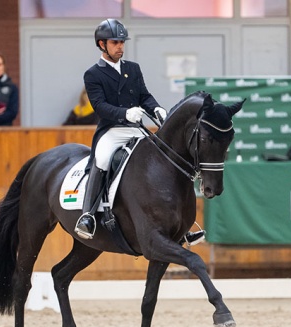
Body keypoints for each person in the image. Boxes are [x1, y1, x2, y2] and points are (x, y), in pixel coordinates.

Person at [74, 18, 204, 247]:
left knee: (165, 158)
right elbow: (99, 106)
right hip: (112, 130)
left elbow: (144, 95)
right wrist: (124, 113)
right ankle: (88, 216)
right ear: (102, 44)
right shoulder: (93, 74)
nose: (120, 47)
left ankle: (183, 225)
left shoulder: (132, 69)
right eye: (115, 42)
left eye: (122, 42)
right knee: (103, 159)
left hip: (136, 129)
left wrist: (157, 109)